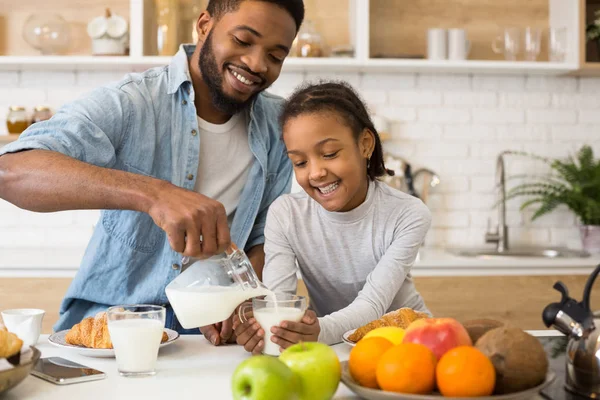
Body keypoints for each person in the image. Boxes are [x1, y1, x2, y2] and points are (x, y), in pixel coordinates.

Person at [0, 0, 304, 343]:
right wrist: (154, 194)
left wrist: (242, 304)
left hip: (212, 334)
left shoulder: (281, 126)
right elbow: (11, 171)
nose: (256, 63)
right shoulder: (132, 102)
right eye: (243, 41)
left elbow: (265, 237)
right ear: (204, 25)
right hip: (112, 324)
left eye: (276, 56)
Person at [234, 81, 432, 353]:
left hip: (406, 344)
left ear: (365, 144)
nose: (315, 173)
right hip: (332, 346)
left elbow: (372, 306)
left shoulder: (408, 214)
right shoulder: (286, 214)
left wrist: (316, 332)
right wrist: (266, 328)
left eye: (329, 154)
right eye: (300, 162)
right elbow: (277, 301)